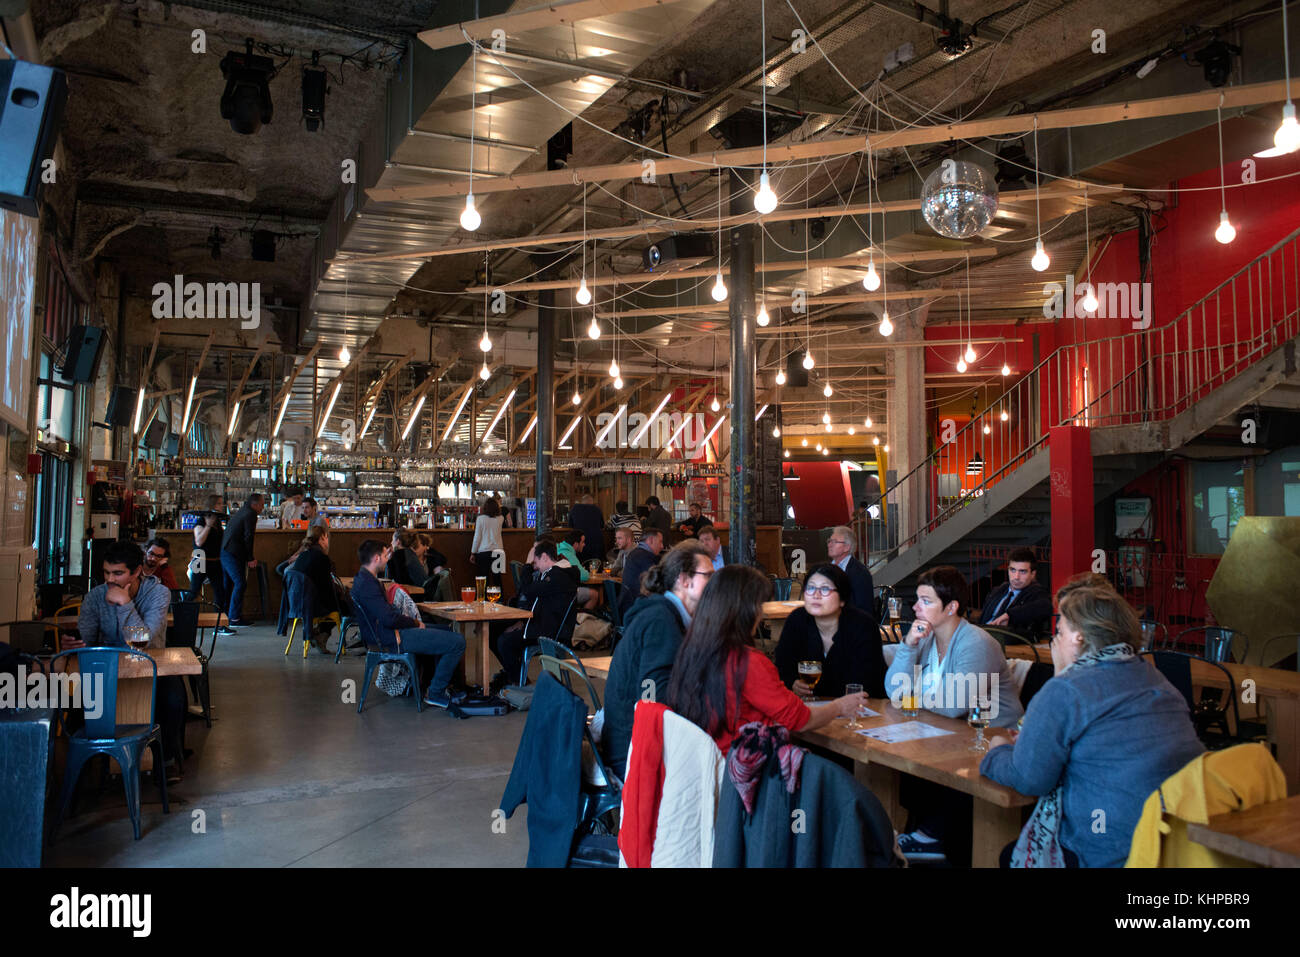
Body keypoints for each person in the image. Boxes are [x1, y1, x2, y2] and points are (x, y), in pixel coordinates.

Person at [981, 583, 1204, 868]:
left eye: (1059, 632)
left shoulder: (1066, 690)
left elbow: (1028, 779)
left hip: (1107, 850)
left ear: (1078, 638)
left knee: (1007, 854)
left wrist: (998, 749)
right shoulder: (1154, 678)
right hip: (1173, 843)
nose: (1053, 640)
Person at [884, 565, 1023, 863]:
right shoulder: (926, 637)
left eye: (926, 601)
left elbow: (953, 705)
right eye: (917, 600)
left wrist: (910, 697)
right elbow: (893, 689)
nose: (916, 607)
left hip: (993, 738)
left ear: (952, 607)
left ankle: (931, 836)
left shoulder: (976, 642)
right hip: (949, 735)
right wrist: (908, 646)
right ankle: (922, 832)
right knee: (897, 757)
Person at [665, 565, 868, 755]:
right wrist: (840, 706)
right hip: (746, 770)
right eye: (758, 606)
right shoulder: (747, 661)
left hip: (709, 762)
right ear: (744, 610)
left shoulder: (692, 649)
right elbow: (800, 720)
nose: (760, 615)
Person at [68, 541, 188, 778]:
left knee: (174, 699)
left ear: (137, 572)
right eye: (106, 572)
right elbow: (88, 639)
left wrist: (125, 603)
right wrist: (76, 644)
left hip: (150, 668)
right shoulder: (95, 597)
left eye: (118, 573)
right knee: (73, 705)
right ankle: (89, 765)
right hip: (106, 671)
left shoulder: (158, 594)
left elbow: (142, 642)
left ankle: (165, 761)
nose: (110, 580)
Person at [601, 542, 713, 777]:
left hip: (629, 740)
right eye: (709, 576)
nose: (715, 584)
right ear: (684, 580)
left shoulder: (663, 614)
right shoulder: (661, 621)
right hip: (634, 753)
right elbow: (654, 701)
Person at [350, 540, 466, 708]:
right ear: (376, 558)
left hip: (386, 633)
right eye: (384, 555)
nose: (387, 559)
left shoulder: (363, 579)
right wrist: (414, 623)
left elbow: (387, 615)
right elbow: (388, 618)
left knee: (445, 630)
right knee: (457, 642)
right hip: (390, 638)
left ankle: (432, 684)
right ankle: (435, 692)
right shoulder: (368, 585)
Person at [774, 563, 887, 698]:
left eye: (825, 589)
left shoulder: (863, 625)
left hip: (861, 708)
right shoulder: (797, 620)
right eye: (810, 588)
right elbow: (782, 667)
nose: (816, 595)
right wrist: (792, 683)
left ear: (842, 599)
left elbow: (867, 681)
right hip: (810, 708)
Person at [489, 539, 577, 690]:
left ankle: (518, 680)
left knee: (504, 641)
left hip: (549, 631)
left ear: (544, 557)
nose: (535, 566)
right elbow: (534, 599)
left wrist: (527, 566)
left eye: (536, 561)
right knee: (493, 631)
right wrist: (521, 622)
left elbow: (528, 591)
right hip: (542, 623)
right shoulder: (554, 574)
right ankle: (514, 674)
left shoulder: (557, 576)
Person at [978, 547, 1053, 640]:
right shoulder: (998, 591)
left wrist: (1010, 615)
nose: (1016, 577)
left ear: (1033, 574)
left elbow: (1045, 606)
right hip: (982, 638)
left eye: (1022, 571)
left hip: (1007, 644)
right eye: (1012, 570)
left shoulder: (1037, 593)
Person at [188, 495, 234, 635]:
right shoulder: (201, 521)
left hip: (215, 560)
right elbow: (199, 542)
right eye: (219, 503)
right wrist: (208, 525)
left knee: (220, 592)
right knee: (194, 590)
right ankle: (184, 619)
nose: (222, 505)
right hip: (200, 559)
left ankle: (219, 624)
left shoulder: (218, 523)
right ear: (213, 505)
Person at [289, 526, 338, 654]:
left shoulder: (303, 555)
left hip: (296, 603)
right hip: (311, 605)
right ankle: (320, 634)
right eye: (327, 538)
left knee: (337, 602)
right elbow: (326, 587)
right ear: (322, 538)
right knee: (342, 606)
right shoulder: (322, 558)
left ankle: (317, 632)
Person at [221, 493, 263, 626]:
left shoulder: (242, 511)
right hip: (233, 553)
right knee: (240, 583)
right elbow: (248, 537)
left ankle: (225, 616)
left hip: (225, 550)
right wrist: (250, 558)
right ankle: (234, 618)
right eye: (262, 505)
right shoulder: (250, 514)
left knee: (228, 584)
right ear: (254, 504)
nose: (263, 508)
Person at [825, 524, 874, 617]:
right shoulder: (825, 569)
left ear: (847, 547)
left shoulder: (860, 573)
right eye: (829, 541)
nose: (829, 545)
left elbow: (863, 609)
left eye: (834, 542)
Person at [618, 526, 664, 618]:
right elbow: (657, 584)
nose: (662, 546)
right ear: (651, 540)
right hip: (636, 612)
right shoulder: (644, 557)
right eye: (660, 541)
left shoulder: (635, 553)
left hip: (627, 608)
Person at [558, 529, 598, 609]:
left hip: (555, 590)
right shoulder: (568, 554)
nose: (584, 545)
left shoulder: (559, 548)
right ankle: (583, 619)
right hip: (562, 593)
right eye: (582, 542)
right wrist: (585, 571)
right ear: (576, 544)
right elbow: (583, 576)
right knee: (595, 594)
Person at [470, 495, 504, 589]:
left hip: (483, 552)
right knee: (497, 579)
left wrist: (473, 552)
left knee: (483, 579)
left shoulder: (480, 519)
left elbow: (477, 537)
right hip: (498, 552)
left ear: (485, 508)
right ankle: (500, 601)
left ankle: (482, 601)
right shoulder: (500, 519)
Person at [568, 493, 605, 562]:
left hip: (580, 542)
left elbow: (570, 525)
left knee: (581, 563)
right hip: (596, 543)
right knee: (596, 564)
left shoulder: (574, 509)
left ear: (582, 501)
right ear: (592, 502)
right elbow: (602, 526)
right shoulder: (597, 509)